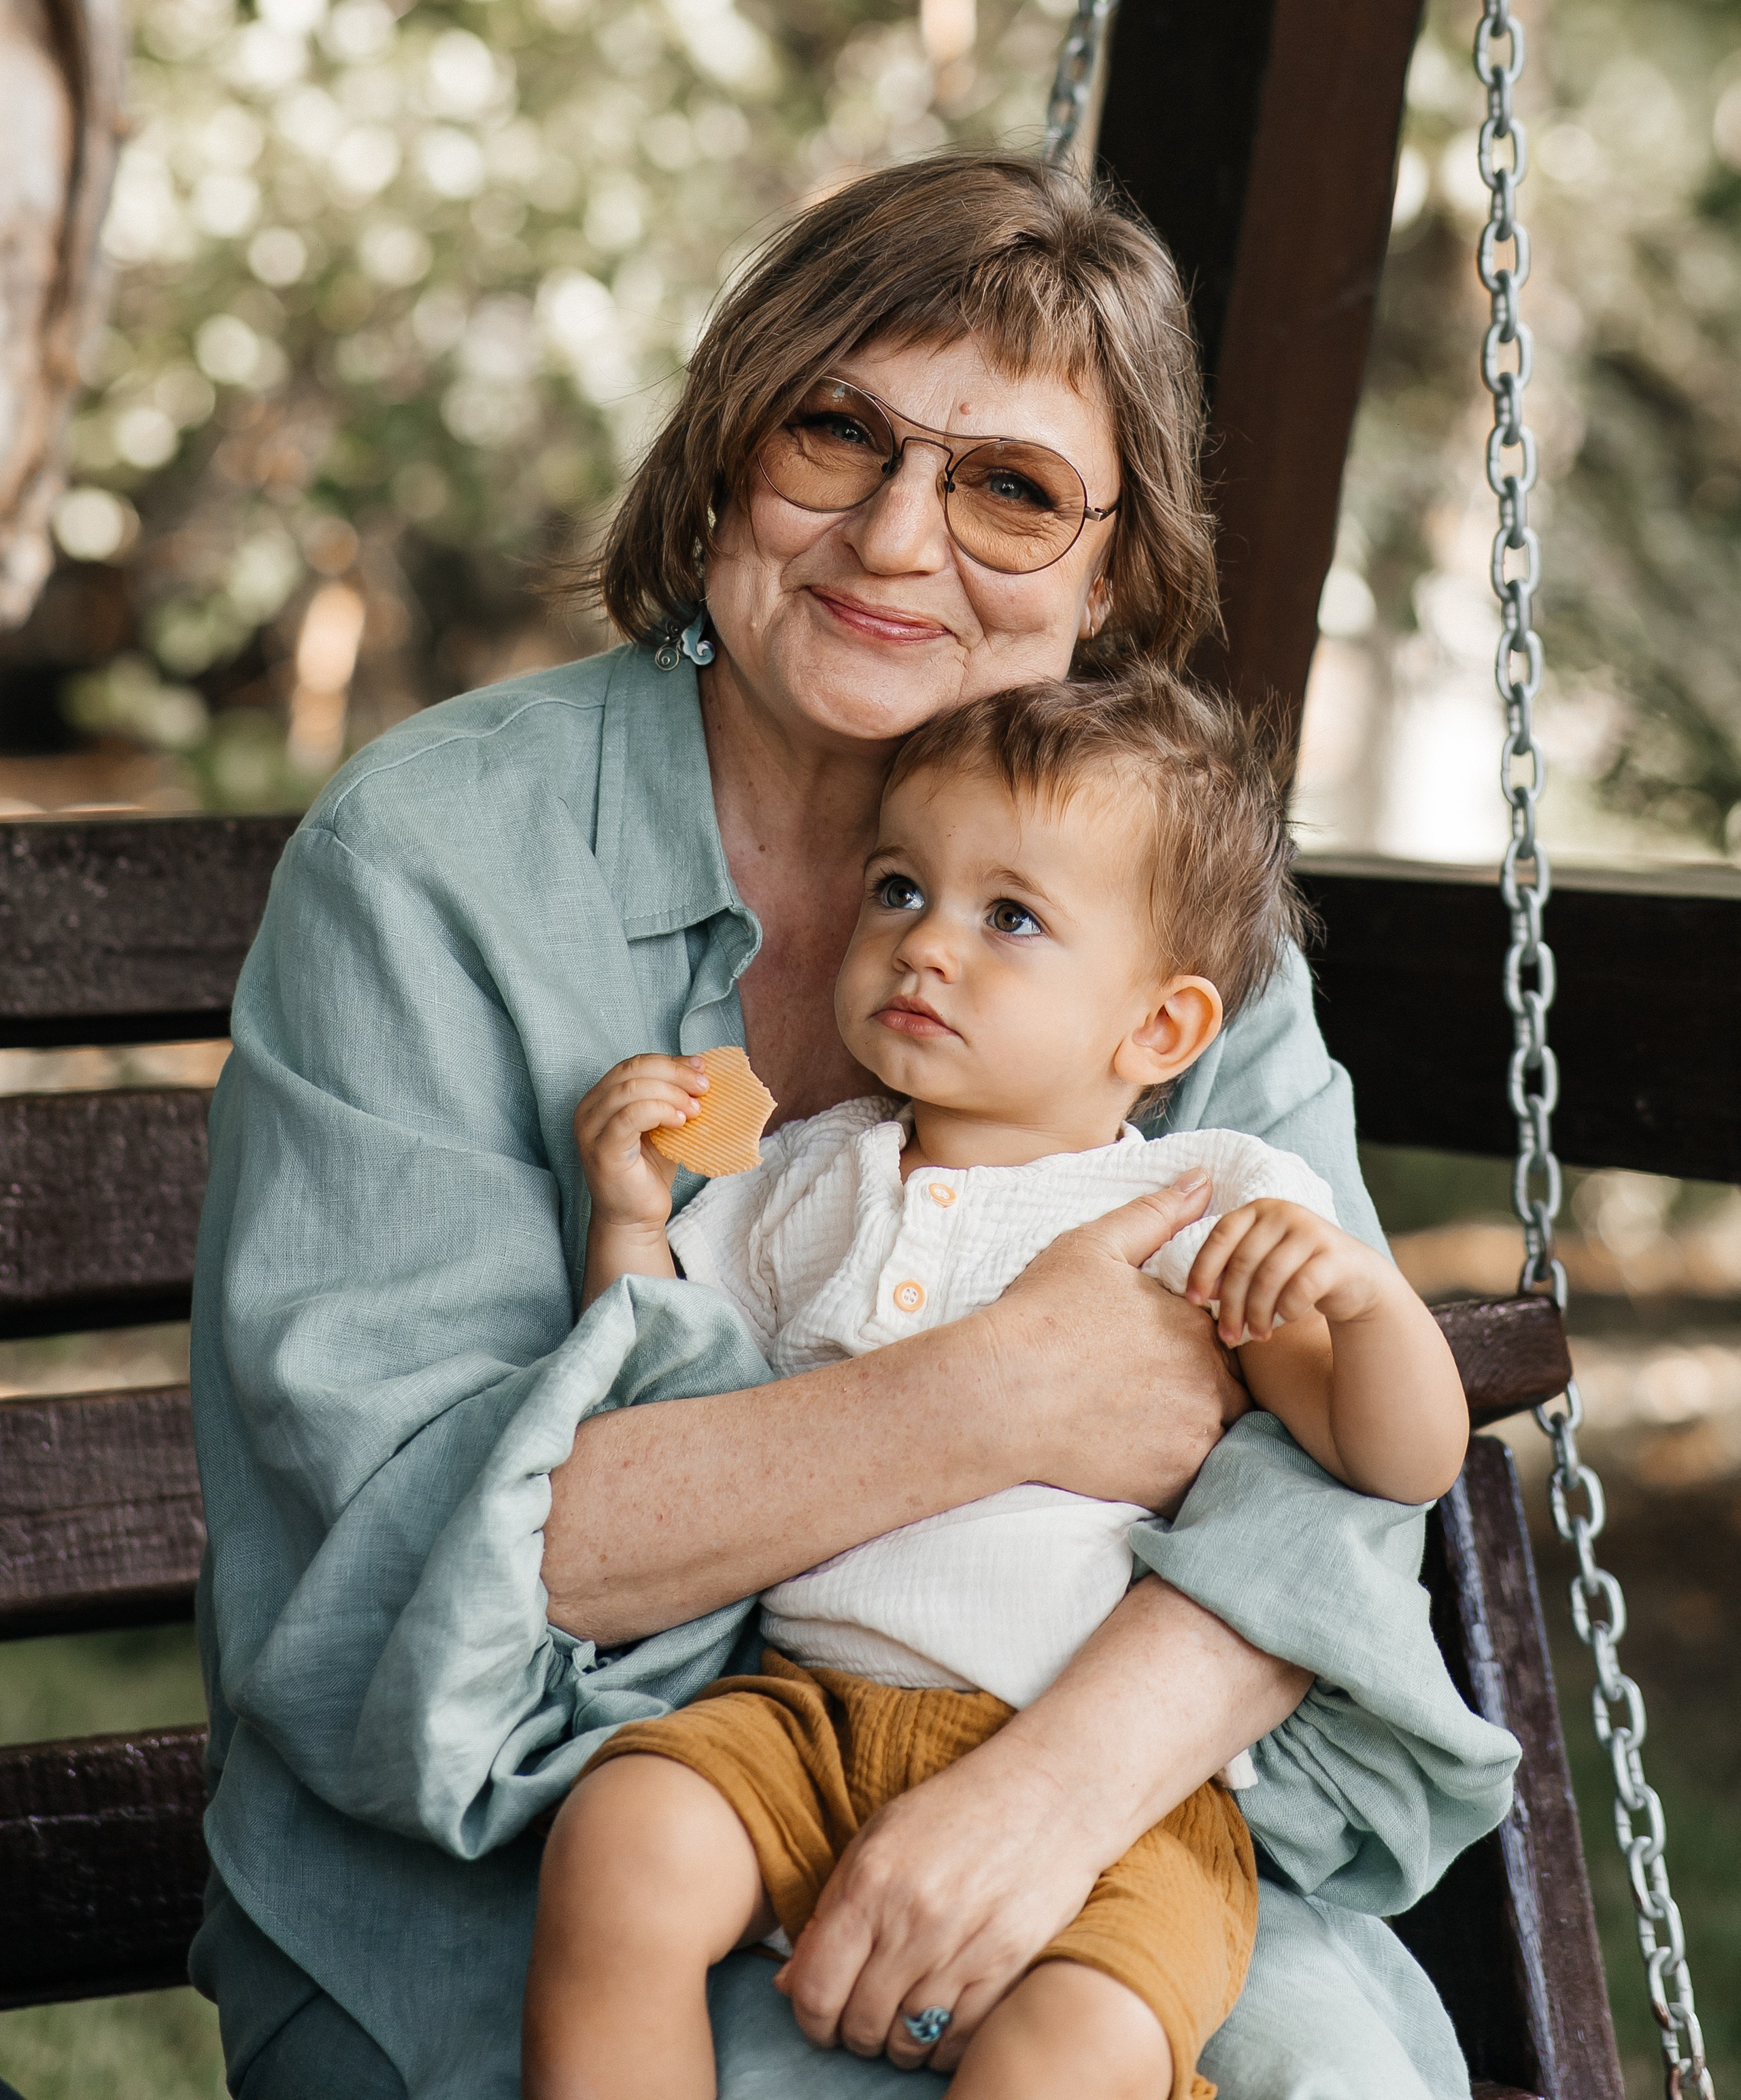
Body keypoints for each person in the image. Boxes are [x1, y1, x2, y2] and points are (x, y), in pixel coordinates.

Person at [190, 154, 1517, 2100]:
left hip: (1099, 1794)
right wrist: (1002, 1392)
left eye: (1012, 489)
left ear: (1109, 573)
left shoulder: (1160, 903)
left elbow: (1336, 1485)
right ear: (728, 449)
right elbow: (420, 1556)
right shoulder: (433, 864)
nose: (897, 539)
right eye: (838, 432)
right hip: (530, 1851)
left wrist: (1040, 1803)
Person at [523, 667, 1474, 2100]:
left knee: (1072, 2050)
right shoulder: (806, 1179)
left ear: (1158, 1031)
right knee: (620, 1844)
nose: (925, 944)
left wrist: (1368, 1303)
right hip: (810, 1710)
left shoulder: (1200, 1201)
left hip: (1107, 1792)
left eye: (1010, 917)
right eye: (899, 889)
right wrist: (625, 1217)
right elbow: (659, 1405)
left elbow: (1395, 1459)